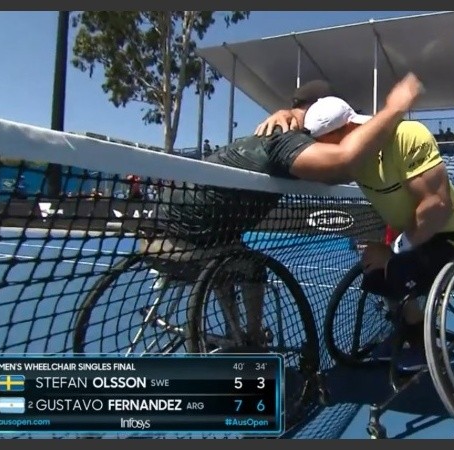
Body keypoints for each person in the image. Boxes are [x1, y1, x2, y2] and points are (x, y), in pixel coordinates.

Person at [143, 73, 425, 347]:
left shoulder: (271, 132)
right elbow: (342, 163)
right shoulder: (288, 139)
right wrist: (395, 108)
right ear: (319, 110)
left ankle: (236, 333)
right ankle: (253, 340)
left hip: (160, 237)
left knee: (235, 253)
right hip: (181, 245)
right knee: (251, 266)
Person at [288, 95, 454, 353]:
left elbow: (437, 207)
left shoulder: (407, 135)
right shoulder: (350, 162)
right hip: (414, 244)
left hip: (453, 243)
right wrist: (283, 117)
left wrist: (393, 250)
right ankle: (417, 335)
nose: (325, 155)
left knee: (393, 266)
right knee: (376, 272)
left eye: (324, 145)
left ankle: (419, 340)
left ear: (348, 130)